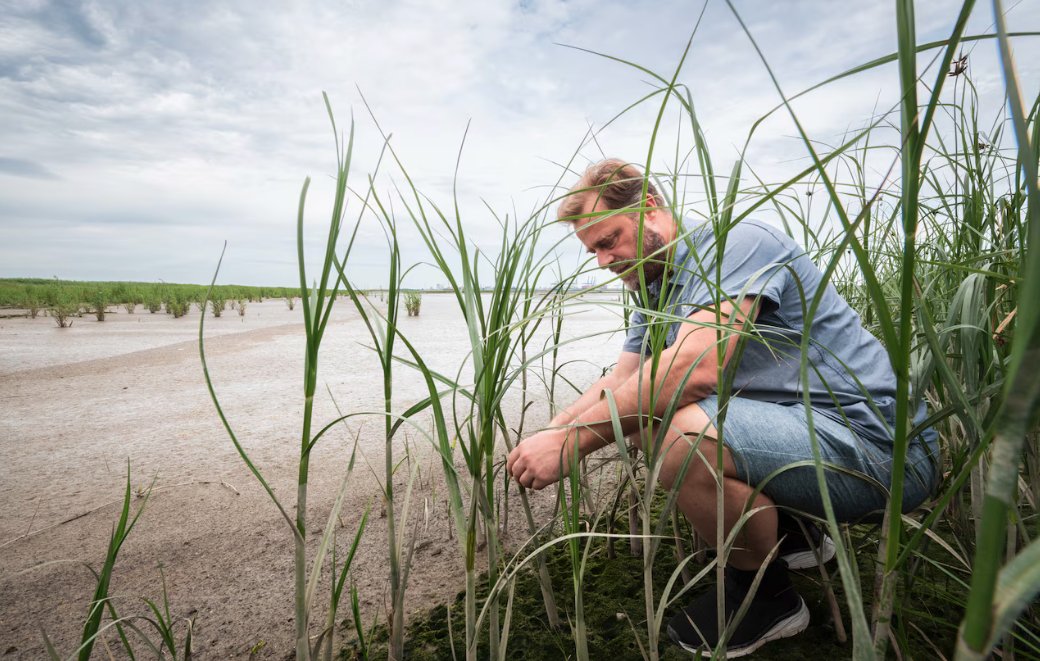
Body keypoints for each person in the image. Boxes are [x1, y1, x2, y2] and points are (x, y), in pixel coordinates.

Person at [505, 159, 938, 657]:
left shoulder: (737, 243)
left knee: (678, 433)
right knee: (641, 416)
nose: (603, 261)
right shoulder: (655, 286)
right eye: (593, 251)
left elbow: (695, 369)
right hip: (805, 435)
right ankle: (795, 537)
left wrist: (573, 444)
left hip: (880, 448)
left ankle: (766, 598)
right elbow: (623, 379)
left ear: (649, 208)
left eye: (609, 240)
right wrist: (551, 431)